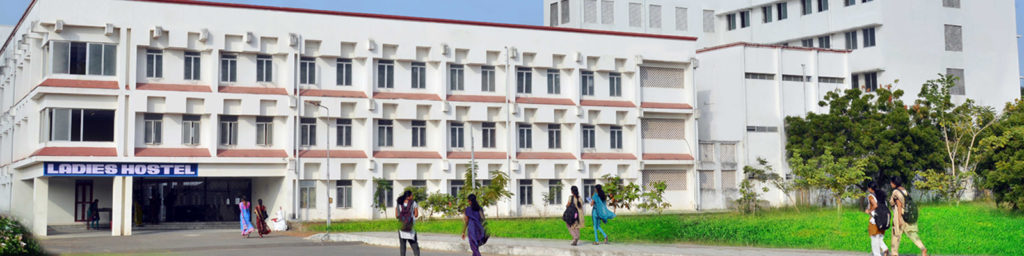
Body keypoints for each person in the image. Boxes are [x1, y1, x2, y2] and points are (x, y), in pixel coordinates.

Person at [889, 177, 927, 256]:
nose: (890, 184)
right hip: (907, 215)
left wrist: (899, 219)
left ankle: (894, 253)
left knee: (896, 235)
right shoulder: (904, 190)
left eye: (891, 182)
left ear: (894, 183)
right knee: (912, 233)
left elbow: (899, 205)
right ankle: (922, 248)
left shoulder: (896, 192)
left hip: (899, 215)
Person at [864, 181, 889, 256]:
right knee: (880, 237)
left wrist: (869, 211)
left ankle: (877, 254)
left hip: (875, 220)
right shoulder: (881, 195)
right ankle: (885, 249)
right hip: (883, 219)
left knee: (874, 239)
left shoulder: (871, 196)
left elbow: (875, 205)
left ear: (870, 188)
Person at [396, 191, 420, 256]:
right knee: (414, 245)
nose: (412, 196)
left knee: (402, 246)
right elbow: (416, 215)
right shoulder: (413, 203)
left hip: (401, 226)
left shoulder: (399, 202)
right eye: (411, 195)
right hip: (411, 226)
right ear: (408, 196)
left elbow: (397, 215)